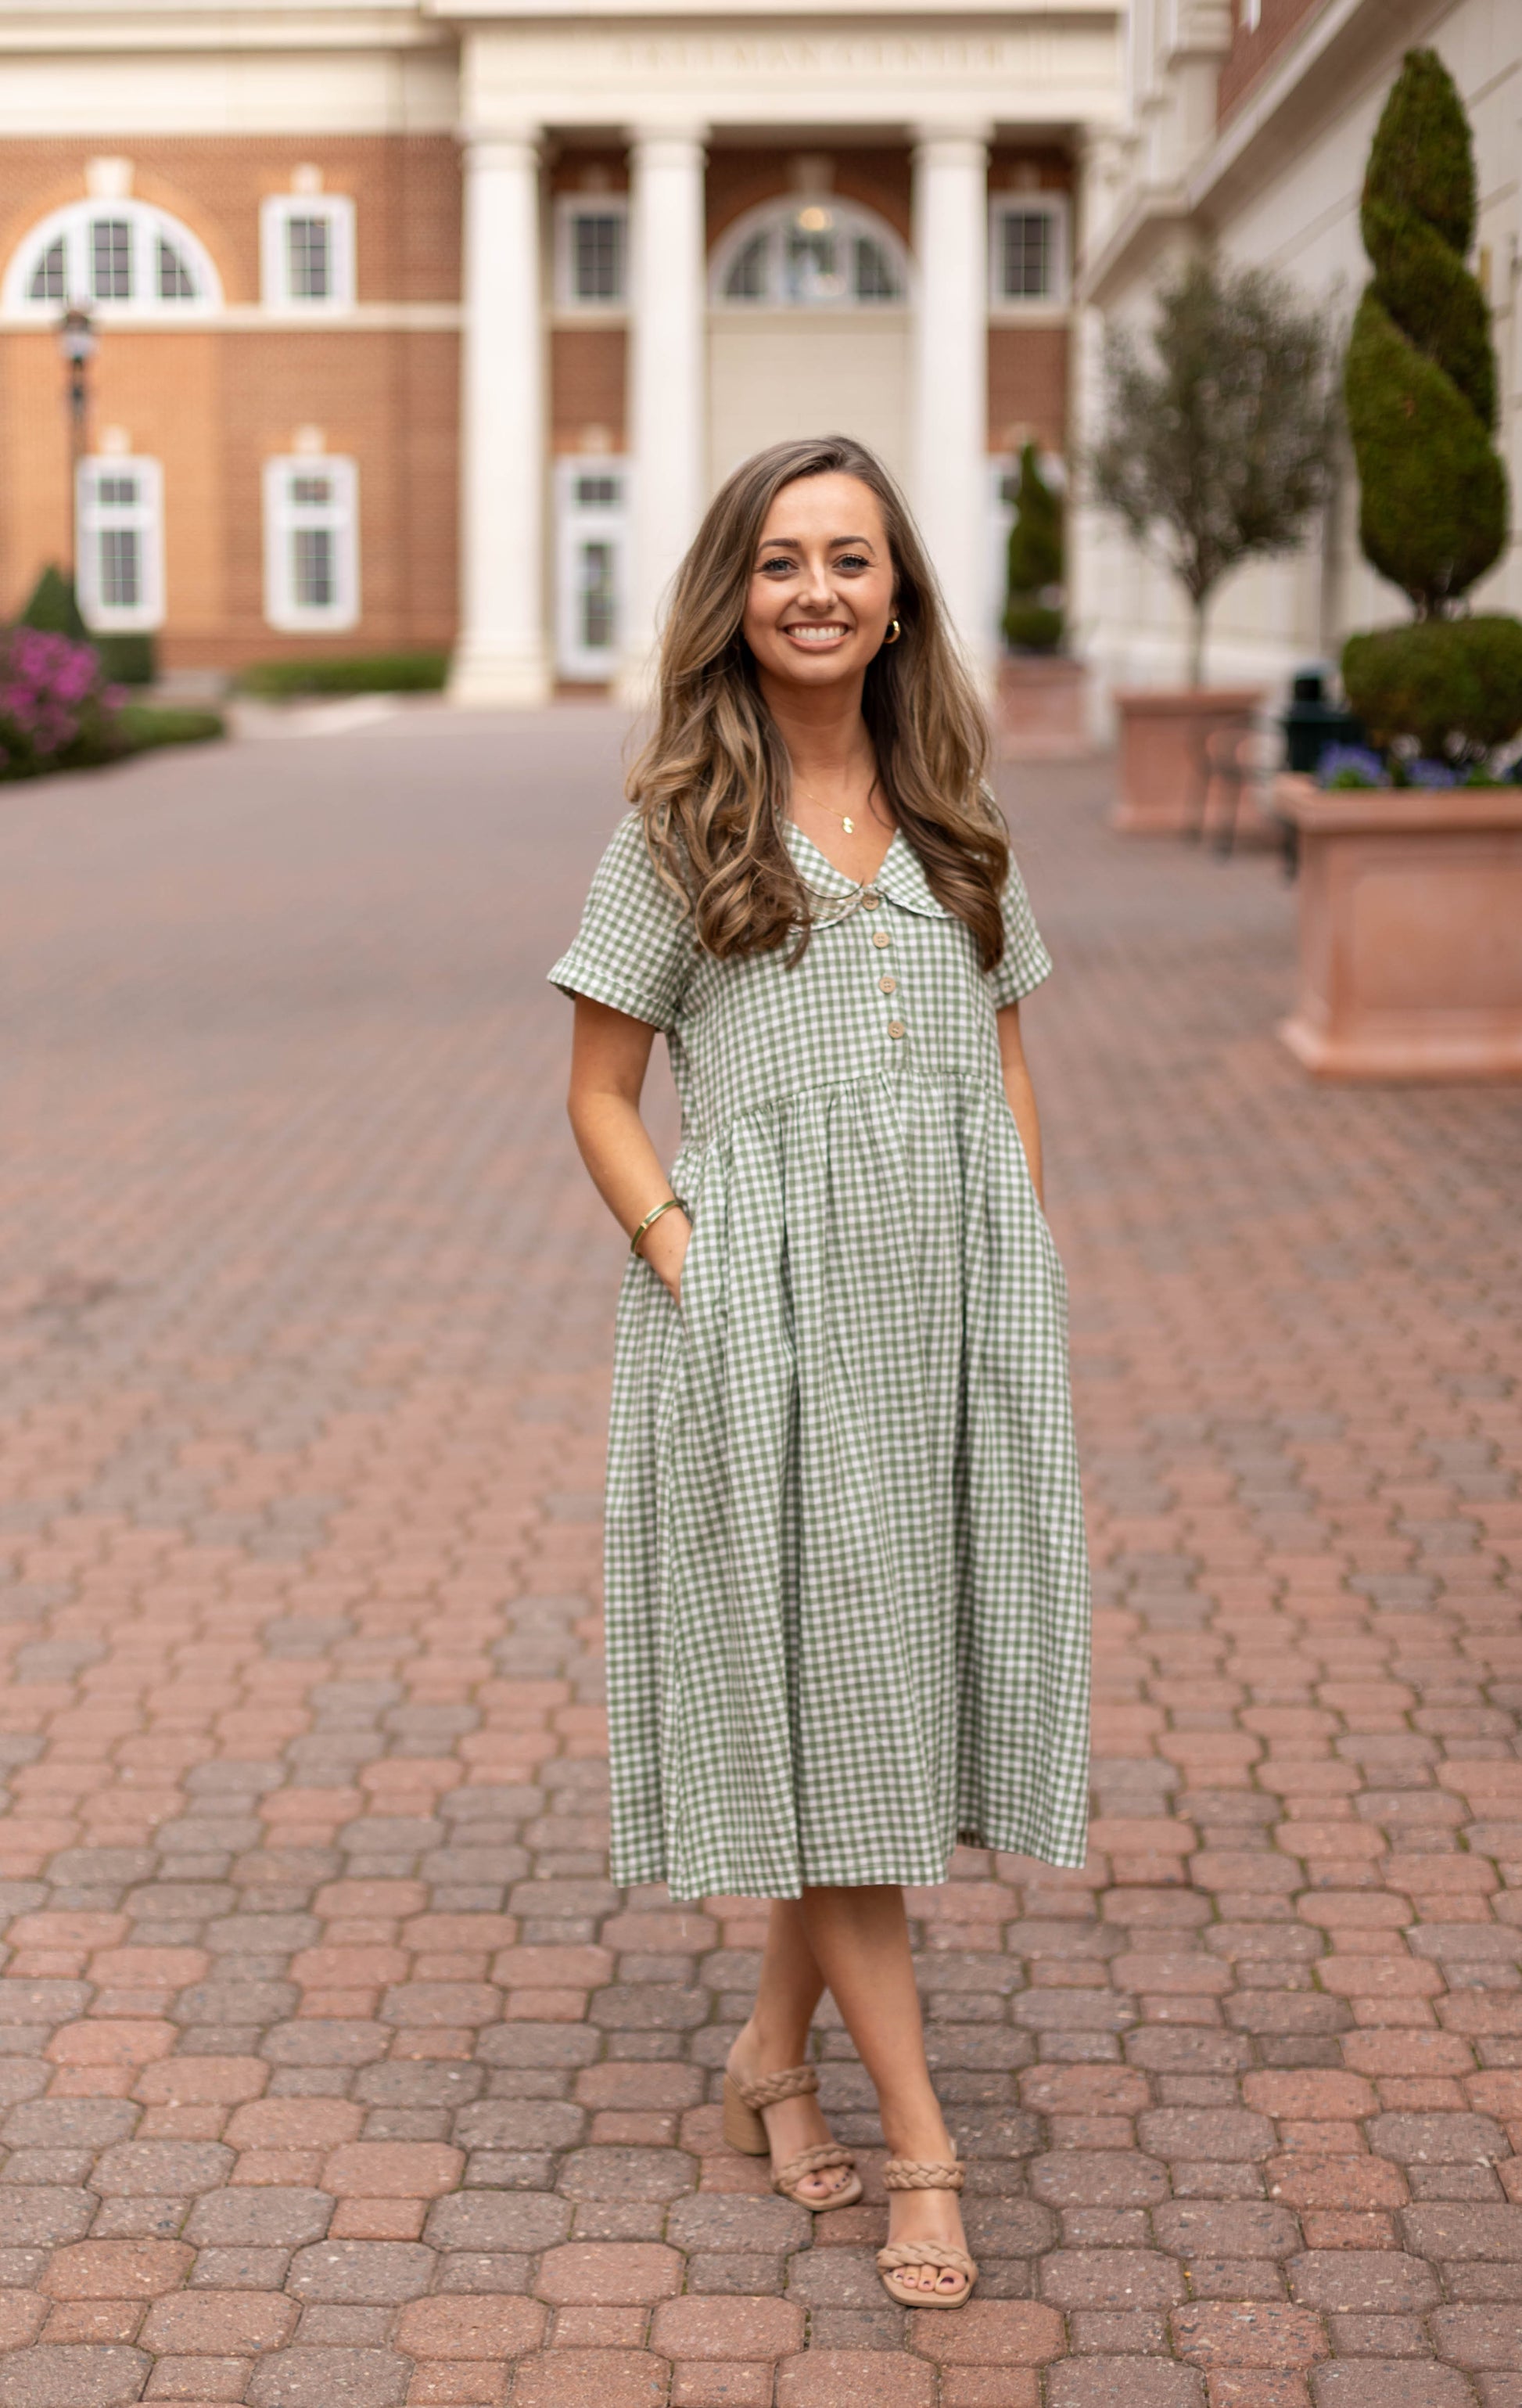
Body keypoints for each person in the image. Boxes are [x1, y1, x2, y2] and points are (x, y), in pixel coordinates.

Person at [549, 434, 1089, 2310]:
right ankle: (923, 2151)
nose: (815, 591)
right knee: (848, 1700)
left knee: (872, 1706)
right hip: (765, 1329)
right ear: (736, 594)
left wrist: (1005, 1250)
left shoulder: (957, 813)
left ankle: (768, 2063)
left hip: (950, 1321)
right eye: (780, 560)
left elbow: (1003, 1049)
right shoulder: (677, 825)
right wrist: (694, 1269)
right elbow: (599, 1097)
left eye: (850, 558)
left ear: (896, 595)